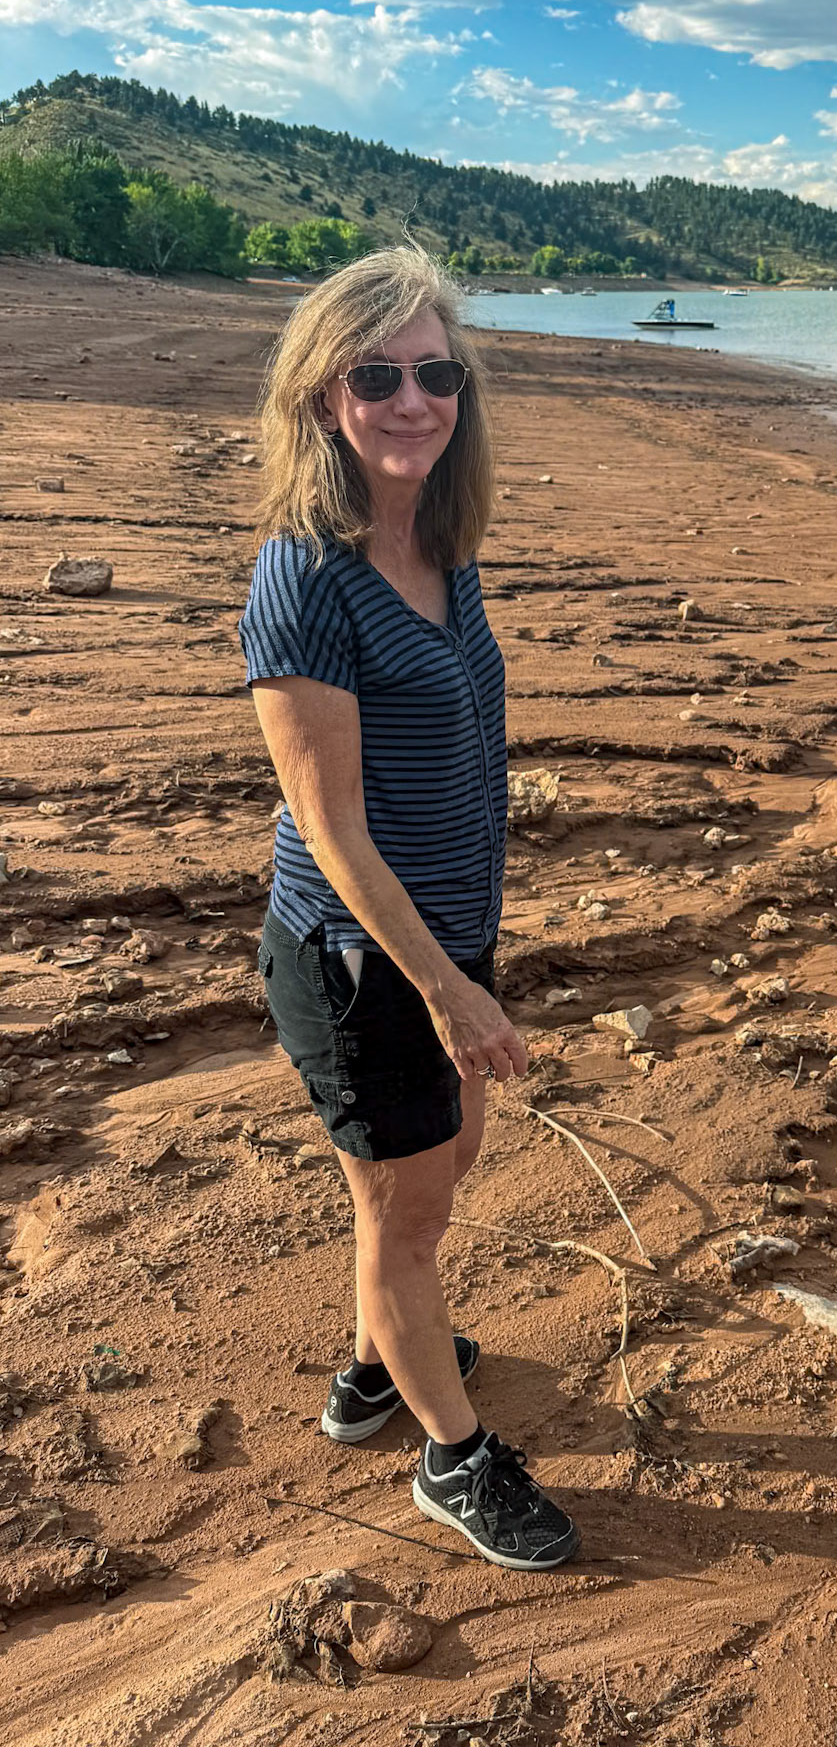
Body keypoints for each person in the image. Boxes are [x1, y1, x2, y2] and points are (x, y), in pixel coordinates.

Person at [238, 246, 579, 1571]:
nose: (410, 400)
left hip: (442, 934)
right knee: (407, 1211)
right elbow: (331, 829)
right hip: (357, 957)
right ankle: (452, 1456)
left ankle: (378, 1366)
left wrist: (471, 956)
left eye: (435, 373)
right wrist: (452, 989)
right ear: (324, 397)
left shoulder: (440, 546)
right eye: (375, 375)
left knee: (425, 1190)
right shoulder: (304, 577)